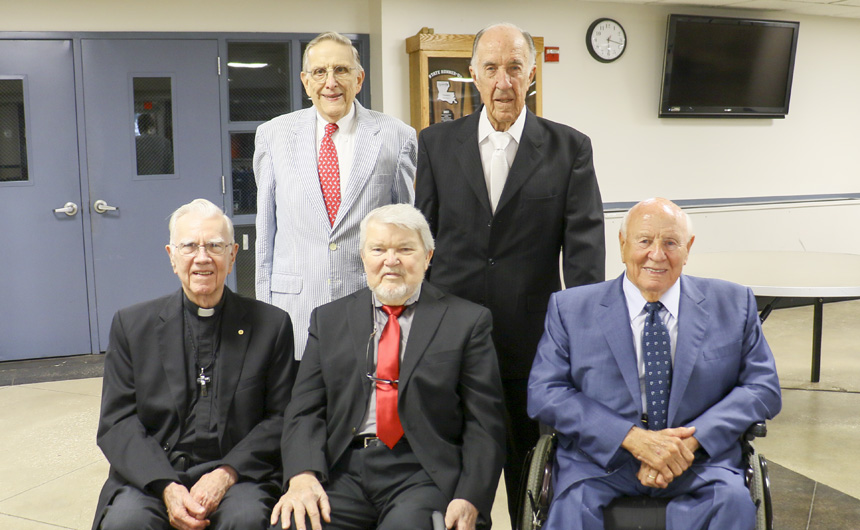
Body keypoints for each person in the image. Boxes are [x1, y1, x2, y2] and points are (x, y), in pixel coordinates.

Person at [415, 22, 605, 515]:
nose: (504, 81)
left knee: (533, 485)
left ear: (532, 75)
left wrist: (583, 349)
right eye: (492, 68)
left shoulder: (570, 149)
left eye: (515, 68)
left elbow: (584, 258)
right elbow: (423, 246)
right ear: (472, 74)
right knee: (460, 492)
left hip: (534, 350)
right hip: (452, 347)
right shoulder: (435, 145)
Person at [527, 198, 782, 529]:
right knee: (571, 508)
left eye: (671, 242)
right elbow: (545, 392)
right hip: (601, 462)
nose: (657, 255)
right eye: (644, 241)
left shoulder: (734, 304)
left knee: (733, 503)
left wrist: (688, 443)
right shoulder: (570, 309)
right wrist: (633, 439)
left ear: (688, 248)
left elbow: (762, 388)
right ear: (622, 245)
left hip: (699, 463)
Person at [270, 204, 505, 530]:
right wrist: (302, 475)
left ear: (428, 257)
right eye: (378, 249)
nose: (390, 260)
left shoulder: (467, 322)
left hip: (422, 472)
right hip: (341, 469)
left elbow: (485, 424)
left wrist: (471, 498)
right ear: (363, 257)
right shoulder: (327, 320)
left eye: (405, 249)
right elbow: (304, 411)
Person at [92, 198, 298, 530]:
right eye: (189, 246)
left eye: (215, 246)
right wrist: (166, 486)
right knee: (126, 522)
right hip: (155, 473)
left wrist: (225, 474)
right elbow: (117, 423)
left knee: (245, 519)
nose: (202, 258)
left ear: (232, 256)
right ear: (172, 256)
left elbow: (280, 418)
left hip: (237, 472)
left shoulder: (271, 326)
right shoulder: (132, 326)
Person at [254, 31, 416, 358]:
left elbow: (408, 232)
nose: (330, 82)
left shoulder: (396, 136)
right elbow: (265, 234)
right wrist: (264, 314)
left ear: (359, 78)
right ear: (305, 81)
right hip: (295, 314)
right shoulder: (273, 136)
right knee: (299, 408)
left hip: (370, 310)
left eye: (341, 70)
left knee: (365, 408)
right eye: (319, 72)